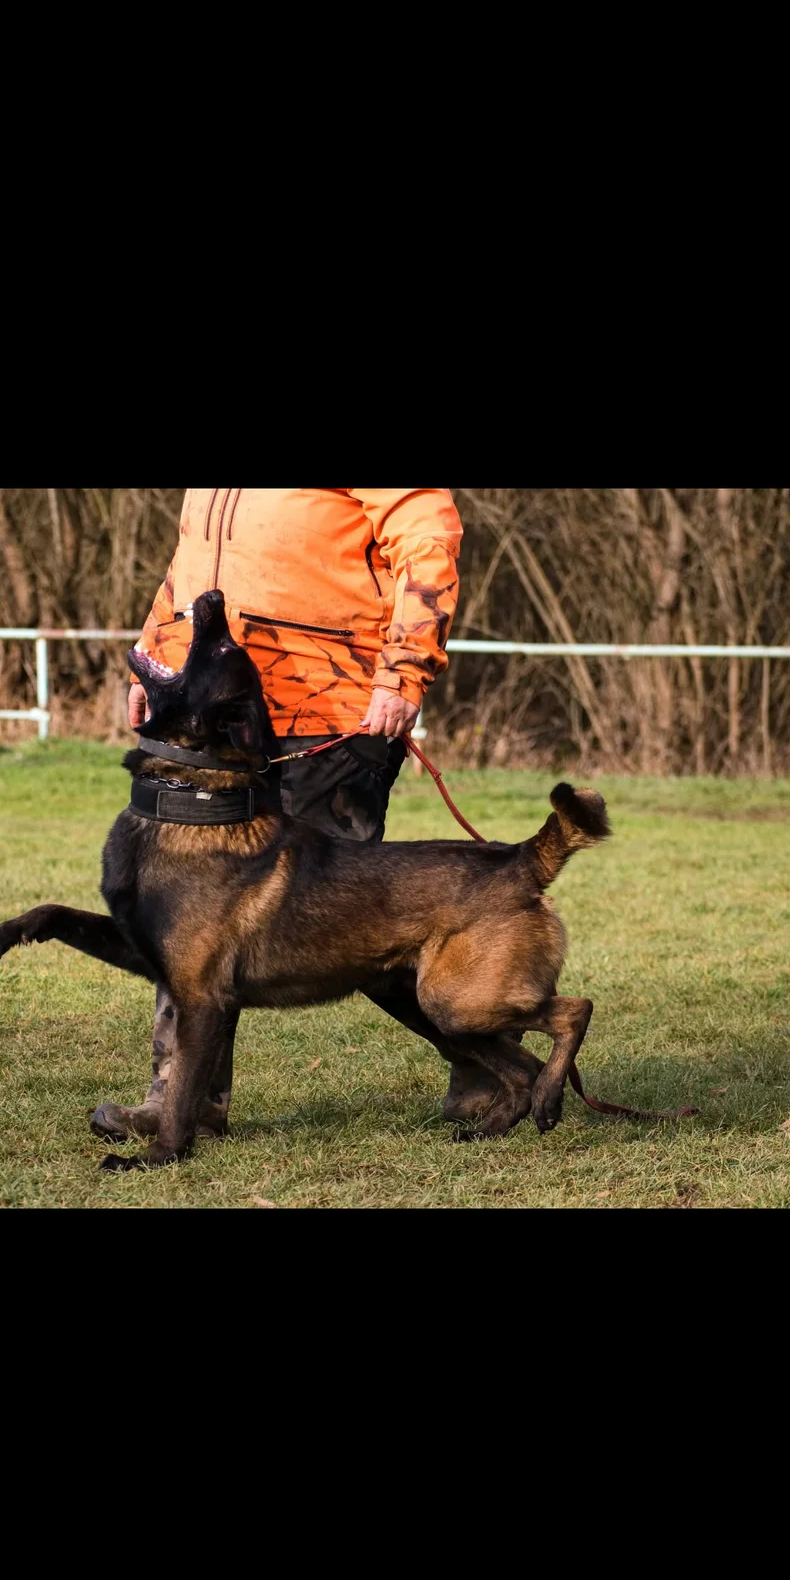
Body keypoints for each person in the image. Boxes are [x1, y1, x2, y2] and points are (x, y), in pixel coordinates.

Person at [92, 487, 466, 1141]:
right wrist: (157, 662)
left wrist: (403, 670)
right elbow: (193, 563)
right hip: (225, 723)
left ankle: (489, 1056)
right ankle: (183, 1099)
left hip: (331, 715)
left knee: (357, 932)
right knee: (190, 914)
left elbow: (426, 540)